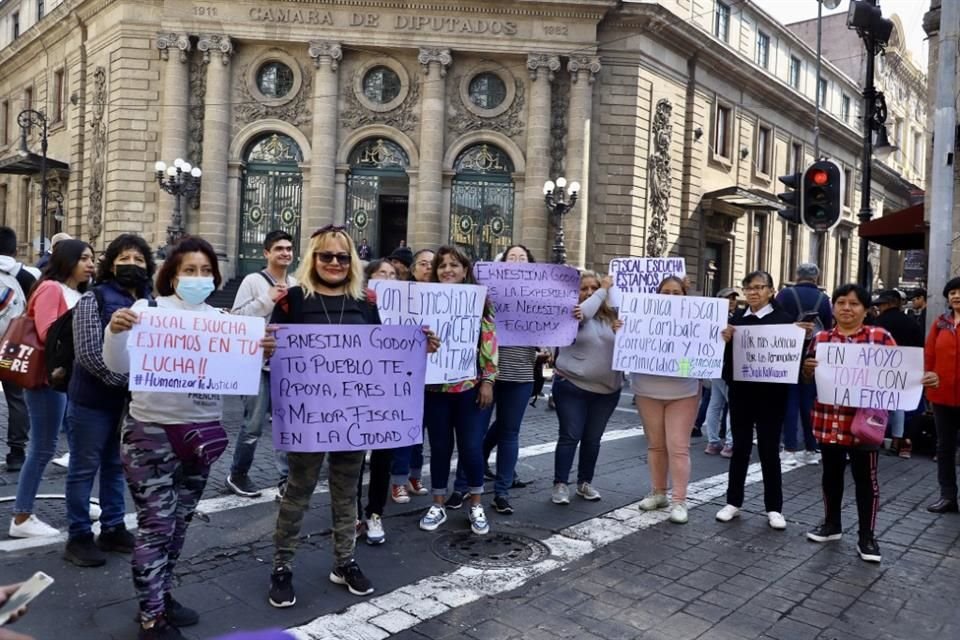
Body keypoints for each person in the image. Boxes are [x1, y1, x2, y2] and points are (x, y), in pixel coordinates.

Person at [104, 236, 276, 639]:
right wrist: (115, 331)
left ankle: (160, 595)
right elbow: (117, 365)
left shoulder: (222, 321)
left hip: (202, 438)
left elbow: (239, 376)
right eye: (189, 270)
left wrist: (261, 352)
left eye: (205, 271)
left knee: (179, 525)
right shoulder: (145, 311)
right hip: (151, 435)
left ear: (214, 277)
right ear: (172, 275)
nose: (198, 277)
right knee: (156, 526)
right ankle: (151, 619)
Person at [267, 226, 437, 607]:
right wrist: (266, 348)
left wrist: (418, 347)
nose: (334, 263)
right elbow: (271, 354)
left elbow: (380, 356)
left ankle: (344, 562)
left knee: (347, 494)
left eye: (342, 257)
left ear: (352, 262)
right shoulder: (293, 300)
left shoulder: (365, 302)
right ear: (313, 259)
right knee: (298, 493)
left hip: (352, 418)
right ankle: (281, 567)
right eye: (326, 256)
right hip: (307, 418)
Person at [801, 284, 936, 563]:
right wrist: (806, 370)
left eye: (854, 304)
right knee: (831, 476)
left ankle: (867, 536)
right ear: (834, 307)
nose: (846, 308)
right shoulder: (822, 339)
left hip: (865, 424)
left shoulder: (880, 337)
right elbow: (807, 380)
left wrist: (923, 379)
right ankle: (832, 524)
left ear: (866, 309)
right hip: (830, 420)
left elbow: (899, 374)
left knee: (866, 481)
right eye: (841, 302)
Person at [63, 234, 154, 567]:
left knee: (117, 467)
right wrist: (125, 382)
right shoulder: (94, 299)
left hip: (129, 403)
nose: (132, 264)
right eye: (124, 257)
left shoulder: (152, 302)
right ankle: (79, 536)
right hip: (92, 400)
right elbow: (87, 353)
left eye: (139, 259)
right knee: (84, 468)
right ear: (111, 263)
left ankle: (113, 527)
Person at [8, 239, 95, 539]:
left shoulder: (79, 292)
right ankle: (21, 517)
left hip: (71, 380)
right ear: (67, 260)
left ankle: (78, 500)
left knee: (81, 443)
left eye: (92, 258)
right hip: (48, 380)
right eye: (84, 258)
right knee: (43, 447)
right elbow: (48, 334)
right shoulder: (50, 289)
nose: (90, 264)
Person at [453, 245, 538, 515]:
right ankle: (462, 486)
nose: (516, 261)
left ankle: (501, 492)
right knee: (474, 434)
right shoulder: (485, 290)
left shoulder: (539, 296)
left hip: (520, 371)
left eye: (521, 258)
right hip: (485, 373)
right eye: (511, 257)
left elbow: (547, 330)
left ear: (531, 265)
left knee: (509, 433)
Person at [418, 246, 497, 535]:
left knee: (472, 448)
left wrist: (488, 380)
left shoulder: (479, 302)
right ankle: (437, 503)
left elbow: (489, 340)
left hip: (469, 389)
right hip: (435, 389)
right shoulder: (423, 301)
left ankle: (475, 503)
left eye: (454, 265)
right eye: (442, 266)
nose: (447, 270)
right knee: (439, 447)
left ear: (465, 270)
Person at [716, 271, 796, 530]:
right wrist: (724, 340)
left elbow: (791, 359)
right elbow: (724, 358)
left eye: (759, 287)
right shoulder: (737, 319)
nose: (753, 292)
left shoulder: (784, 321)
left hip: (771, 396)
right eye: (749, 288)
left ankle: (774, 507)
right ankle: (733, 502)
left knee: (769, 450)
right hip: (741, 393)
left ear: (771, 291)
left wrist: (802, 338)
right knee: (739, 448)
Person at [225, 231, 297, 499]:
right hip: (255, 363)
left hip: (285, 364)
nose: (285, 253)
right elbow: (236, 319)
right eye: (279, 248)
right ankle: (238, 474)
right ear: (266, 253)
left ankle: (285, 479)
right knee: (253, 424)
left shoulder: (296, 282)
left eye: (289, 248)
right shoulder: (253, 281)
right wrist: (267, 300)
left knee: (286, 423)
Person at [551, 272, 622, 506]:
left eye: (594, 288)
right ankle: (561, 484)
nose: (590, 292)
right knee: (570, 436)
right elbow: (583, 314)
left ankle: (585, 483)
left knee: (593, 439)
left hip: (607, 391)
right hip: (572, 387)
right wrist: (604, 289)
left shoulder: (611, 316)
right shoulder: (570, 312)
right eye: (584, 288)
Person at [634, 276, 701, 524]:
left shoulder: (698, 322)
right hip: (647, 389)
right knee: (656, 445)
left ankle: (679, 500)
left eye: (676, 293)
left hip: (682, 391)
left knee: (678, 447)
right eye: (665, 292)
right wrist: (621, 329)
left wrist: (720, 337)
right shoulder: (639, 319)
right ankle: (659, 492)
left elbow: (696, 356)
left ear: (685, 296)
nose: (670, 297)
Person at [356, 257, 398, 545]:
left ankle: (375, 512)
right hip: (359, 387)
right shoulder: (362, 304)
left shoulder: (410, 306)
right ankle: (353, 513)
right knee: (354, 456)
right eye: (381, 273)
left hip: (392, 389)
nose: (387, 277)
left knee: (383, 455)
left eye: (393, 274)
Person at [776, 263, 832, 467]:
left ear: (796, 276)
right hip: (813, 355)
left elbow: (776, 322)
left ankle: (789, 448)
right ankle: (811, 448)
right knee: (809, 403)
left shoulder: (785, 295)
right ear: (816, 278)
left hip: (787, 354)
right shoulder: (824, 299)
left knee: (790, 402)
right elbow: (828, 329)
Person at [390, 249, 434, 503]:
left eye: (432, 264)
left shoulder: (447, 296)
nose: (428, 268)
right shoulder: (402, 297)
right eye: (423, 264)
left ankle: (414, 475)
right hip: (405, 373)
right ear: (413, 269)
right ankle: (398, 479)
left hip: (435, 375)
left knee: (422, 429)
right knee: (407, 428)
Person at [0, 227, 39, 472]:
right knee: (16, 399)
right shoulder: (27, 275)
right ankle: (17, 452)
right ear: (15, 249)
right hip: (13, 347)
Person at [922, 277, 960, 514]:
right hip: (942, 395)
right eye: (952, 292)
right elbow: (929, 355)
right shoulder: (940, 324)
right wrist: (928, 384)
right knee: (944, 447)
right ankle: (948, 496)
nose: (956, 296)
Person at [870, 289, 923, 458]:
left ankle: (874, 436)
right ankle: (897, 441)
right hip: (904, 368)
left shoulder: (878, 323)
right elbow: (919, 346)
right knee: (899, 404)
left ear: (888, 303)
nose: (879, 308)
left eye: (881, 304)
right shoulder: (911, 322)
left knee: (877, 403)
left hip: (879, 368)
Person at [704, 287, 738, 457]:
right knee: (730, 404)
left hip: (717, 366)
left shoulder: (718, 317)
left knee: (715, 403)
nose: (731, 301)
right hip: (723, 367)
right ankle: (728, 444)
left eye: (733, 298)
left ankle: (713, 442)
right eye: (728, 298)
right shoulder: (723, 319)